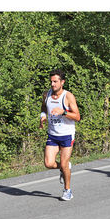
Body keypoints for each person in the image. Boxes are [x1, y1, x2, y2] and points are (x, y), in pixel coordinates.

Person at [39, 69, 80, 200]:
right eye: (51, 81)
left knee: (64, 163)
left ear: (62, 82)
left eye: (55, 81)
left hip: (67, 135)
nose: (52, 84)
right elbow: (44, 107)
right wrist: (43, 116)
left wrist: (63, 112)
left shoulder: (68, 96)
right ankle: (64, 168)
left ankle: (67, 191)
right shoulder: (47, 95)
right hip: (52, 134)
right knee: (49, 163)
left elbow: (77, 117)